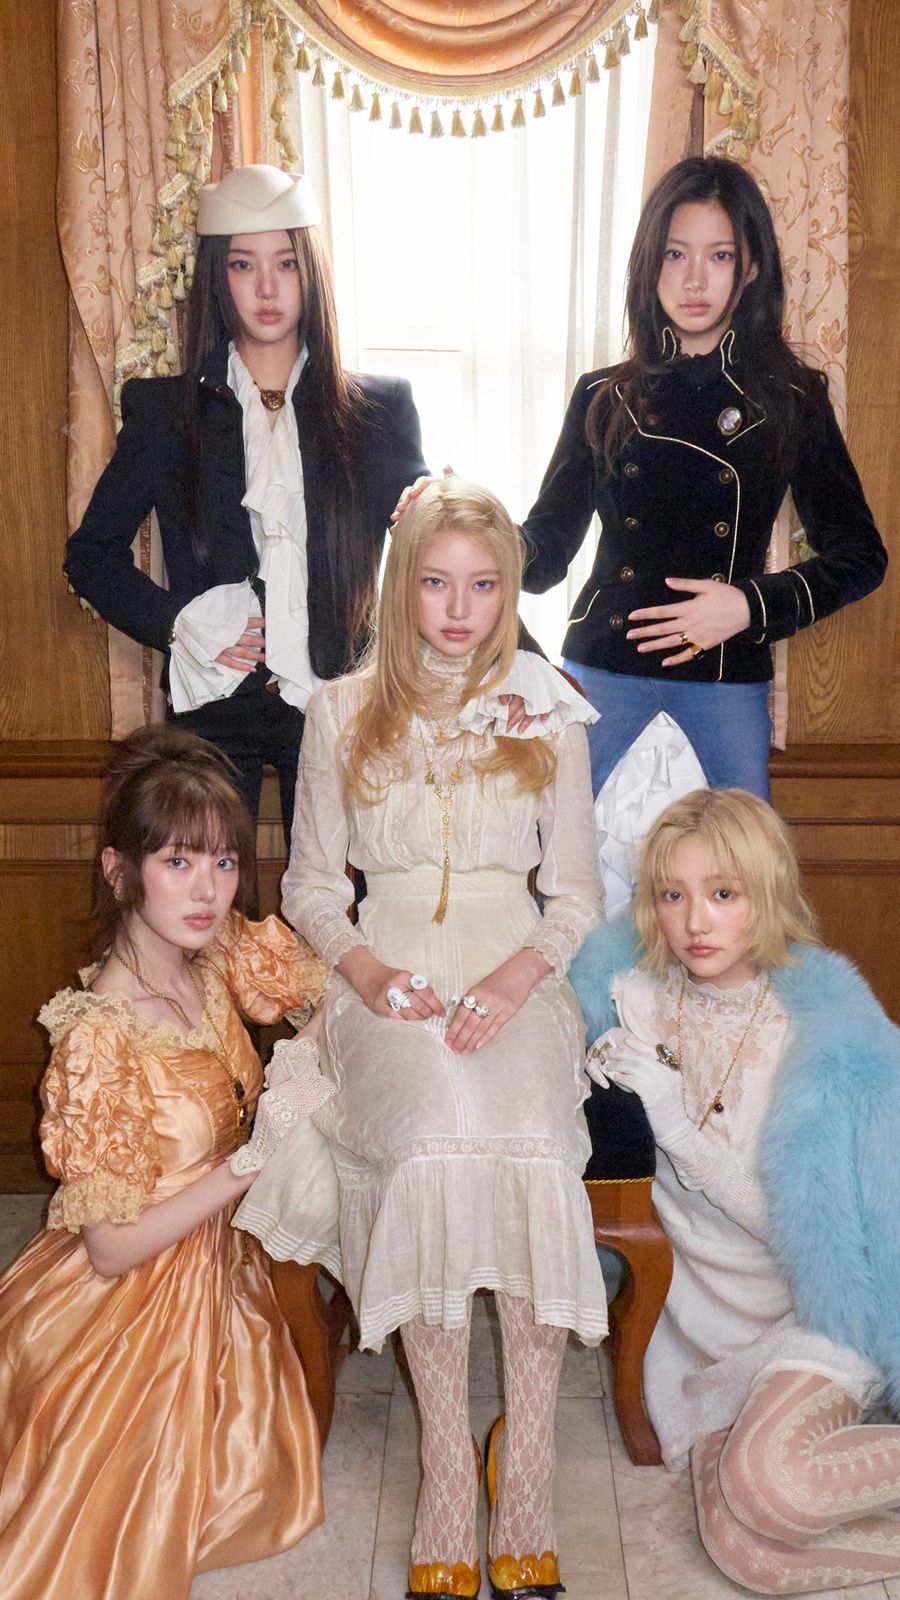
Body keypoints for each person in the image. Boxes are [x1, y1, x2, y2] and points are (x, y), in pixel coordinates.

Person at [236, 478, 608, 1600]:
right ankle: (449, 1471)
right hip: (381, 972)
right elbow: (312, 886)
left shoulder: (552, 709)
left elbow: (576, 896)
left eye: (484, 586)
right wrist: (364, 972)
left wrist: (516, 975)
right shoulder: (340, 710)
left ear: (508, 593)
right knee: (434, 1148)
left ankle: (525, 1475)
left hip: (517, 970)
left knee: (534, 1153)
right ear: (404, 586)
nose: (459, 609)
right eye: (437, 583)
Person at [0, 726, 333, 1600]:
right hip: (130, 1292)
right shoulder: (98, 1039)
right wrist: (254, 1159)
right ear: (120, 872)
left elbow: (324, 993)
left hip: (223, 1252)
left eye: (223, 862)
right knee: (129, 1499)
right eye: (178, 862)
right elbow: (110, 1250)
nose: (209, 890)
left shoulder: (211, 957)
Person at [569, 787, 900, 1593]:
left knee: (770, 1491)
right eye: (672, 895)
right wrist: (588, 1072)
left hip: (813, 1313)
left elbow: (810, 1232)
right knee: (749, 1552)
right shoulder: (627, 998)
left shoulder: (821, 1034)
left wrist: (675, 1124)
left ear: (768, 892)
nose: (695, 922)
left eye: (723, 894)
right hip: (701, 1338)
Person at [64, 164, 428, 833]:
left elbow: (427, 546)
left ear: (310, 273)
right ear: (217, 277)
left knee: (332, 892)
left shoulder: (379, 410)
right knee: (209, 890)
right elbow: (90, 556)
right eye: (242, 265)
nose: (266, 288)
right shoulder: (164, 412)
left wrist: (435, 504)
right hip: (212, 704)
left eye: (285, 263)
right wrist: (176, 622)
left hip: (340, 699)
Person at [519, 156, 887, 799]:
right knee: (570, 855)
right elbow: (544, 557)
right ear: (649, 263)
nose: (694, 279)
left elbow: (861, 556)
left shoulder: (792, 399)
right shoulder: (601, 396)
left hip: (726, 682)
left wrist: (747, 605)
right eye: (674, 254)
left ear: (751, 267)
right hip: (602, 671)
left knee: (739, 857)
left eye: (719, 256)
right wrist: (463, 523)